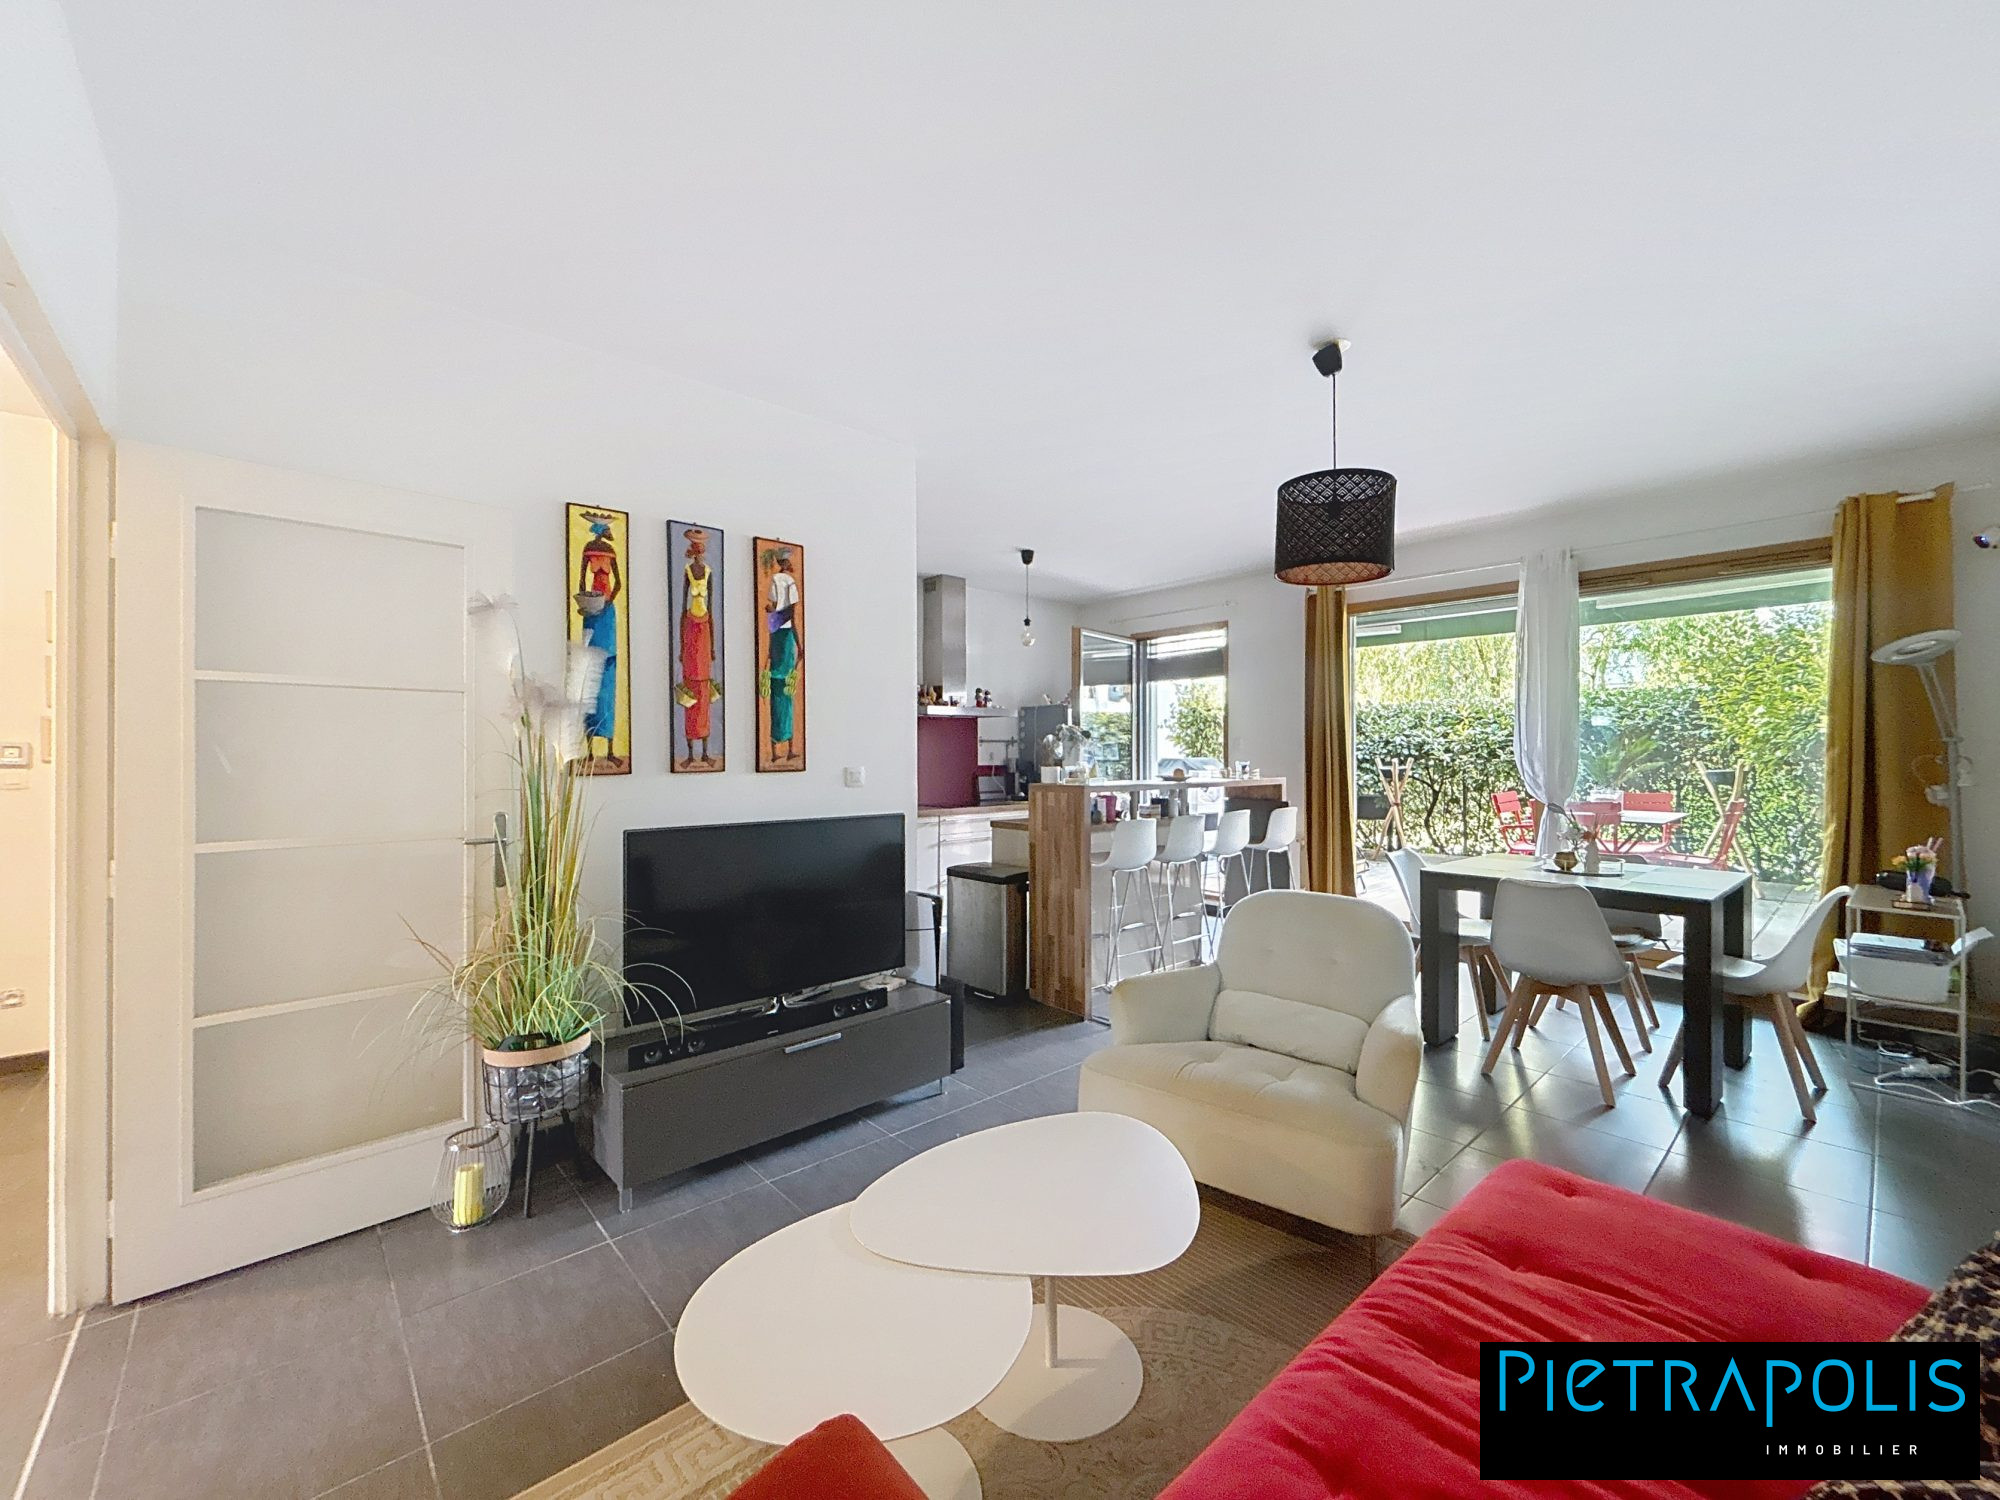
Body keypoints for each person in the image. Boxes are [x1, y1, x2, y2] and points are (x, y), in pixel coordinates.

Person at [575, 518, 622, 767]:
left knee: (607, 676)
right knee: (589, 677)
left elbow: (618, 583)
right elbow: (582, 582)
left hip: (604, 613)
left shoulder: (607, 551)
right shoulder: (589, 550)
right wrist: (591, 603)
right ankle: (591, 749)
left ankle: (610, 747)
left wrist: (605, 602)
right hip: (593, 612)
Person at [677, 528, 718, 767]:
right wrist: (681, 646)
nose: (700, 555)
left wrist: (712, 647)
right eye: (698, 551)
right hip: (691, 631)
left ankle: (704, 752)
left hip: (704, 633)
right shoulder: (687, 572)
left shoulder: (709, 573)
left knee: (704, 691)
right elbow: (682, 610)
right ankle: (691, 753)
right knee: (690, 691)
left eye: (702, 551)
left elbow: (710, 610)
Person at [764, 547, 801, 761]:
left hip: (775, 633)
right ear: (785, 563)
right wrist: (800, 646)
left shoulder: (775, 580)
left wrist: (773, 615)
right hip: (785, 636)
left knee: (777, 695)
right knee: (787, 694)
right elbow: (792, 618)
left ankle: (775, 751)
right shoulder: (789, 582)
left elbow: (772, 609)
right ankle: (789, 749)